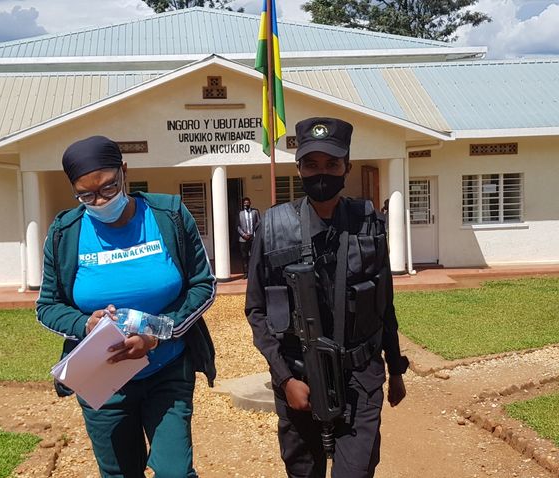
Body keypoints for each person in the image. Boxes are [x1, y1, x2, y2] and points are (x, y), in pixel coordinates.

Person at [37, 135, 216, 478]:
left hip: (166, 369)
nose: (100, 201)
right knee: (120, 473)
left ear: (125, 172)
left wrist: (157, 333)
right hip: (102, 380)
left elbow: (203, 286)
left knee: (175, 472)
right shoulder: (65, 233)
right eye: (86, 194)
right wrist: (85, 325)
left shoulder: (169, 215)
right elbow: (47, 306)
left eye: (108, 187)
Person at [245, 118, 408, 478]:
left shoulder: (369, 223)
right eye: (311, 164)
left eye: (332, 164)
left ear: (347, 167)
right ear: (299, 168)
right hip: (300, 378)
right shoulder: (273, 228)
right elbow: (256, 310)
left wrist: (395, 369)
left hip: (360, 378)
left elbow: (385, 304)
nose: (322, 173)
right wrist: (286, 379)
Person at [237, 197, 261, 278]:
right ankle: (246, 273)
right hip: (243, 239)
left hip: (253, 237)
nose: (246, 204)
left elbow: (259, 223)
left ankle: (253, 272)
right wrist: (244, 235)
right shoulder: (240, 213)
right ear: (243, 204)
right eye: (244, 203)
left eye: (247, 203)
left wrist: (255, 234)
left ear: (250, 203)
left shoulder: (255, 212)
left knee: (253, 255)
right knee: (244, 256)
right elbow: (237, 226)